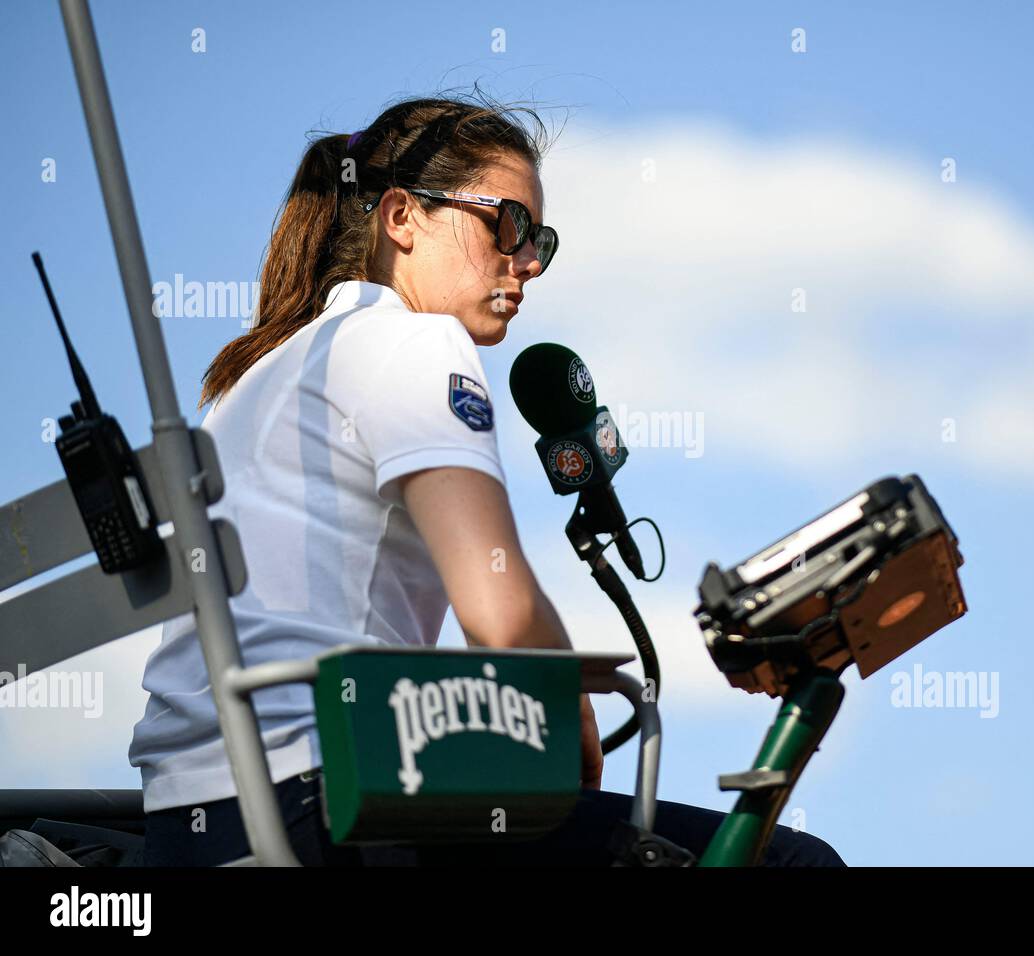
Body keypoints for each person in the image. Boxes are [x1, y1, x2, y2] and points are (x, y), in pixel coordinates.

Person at [130, 94, 844, 867]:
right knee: (797, 864)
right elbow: (500, 616)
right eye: (506, 223)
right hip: (331, 811)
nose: (528, 259)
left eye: (540, 239)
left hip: (191, 824)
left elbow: (481, 623)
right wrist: (567, 690)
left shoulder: (258, 376)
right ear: (401, 218)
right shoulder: (411, 343)